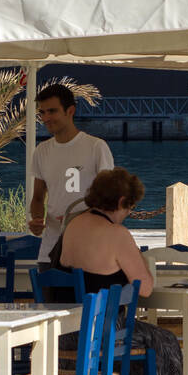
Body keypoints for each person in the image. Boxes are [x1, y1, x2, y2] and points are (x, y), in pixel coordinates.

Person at [51, 167, 184, 375]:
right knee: (165, 342)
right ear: (122, 201)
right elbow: (144, 287)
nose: (129, 214)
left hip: (66, 332)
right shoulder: (117, 234)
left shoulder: (73, 226)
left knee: (138, 342)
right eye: (130, 208)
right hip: (102, 332)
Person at [29, 84, 114, 265]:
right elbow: (37, 197)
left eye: (52, 111)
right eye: (42, 113)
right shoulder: (41, 151)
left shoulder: (96, 147)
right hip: (50, 251)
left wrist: (79, 219)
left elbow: (109, 198)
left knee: (86, 295)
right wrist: (37, 219)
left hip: (88, 249)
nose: (46, 118)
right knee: (47, 294)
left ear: (70, 111)